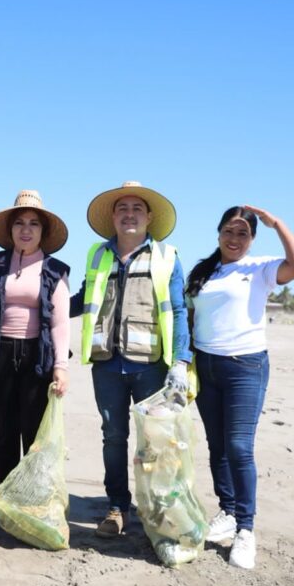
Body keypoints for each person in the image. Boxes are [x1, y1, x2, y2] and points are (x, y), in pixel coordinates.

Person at [185, 205, 294, 570]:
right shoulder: (204, 271)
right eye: (229, 231)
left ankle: (245, 530)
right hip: (206, 366)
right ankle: (226, 510)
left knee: (239, 446)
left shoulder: (262, 268)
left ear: (252, 238)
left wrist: (277, 224)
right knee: (217, 446)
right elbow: (191, 316)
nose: (234, 239)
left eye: (243, 233)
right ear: (218, 232)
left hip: (245, 367)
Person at [69, 181, 193, 538]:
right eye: (122, 208)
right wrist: (45, 305)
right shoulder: (98, 255)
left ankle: (156, 510)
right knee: (113, 436)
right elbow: (82, 299)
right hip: (107, 364)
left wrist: (181, 362)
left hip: (151, 365)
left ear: (149, 217)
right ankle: (117, 507)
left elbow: (180, 309)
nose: (129, 214)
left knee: (155, 441)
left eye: (137, 208)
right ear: (113, 216)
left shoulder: (167, 258)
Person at [0, 190, 71, 486]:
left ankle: (29, 501)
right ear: (10, 229)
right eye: (19, 223)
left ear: (43, 231)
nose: (26, 230)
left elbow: (61, 323)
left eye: (34, 224)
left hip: (36, 358)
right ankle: (1, 499)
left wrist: (61, 367)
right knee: (2, 433)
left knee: (33, 432)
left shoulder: (54, 270)